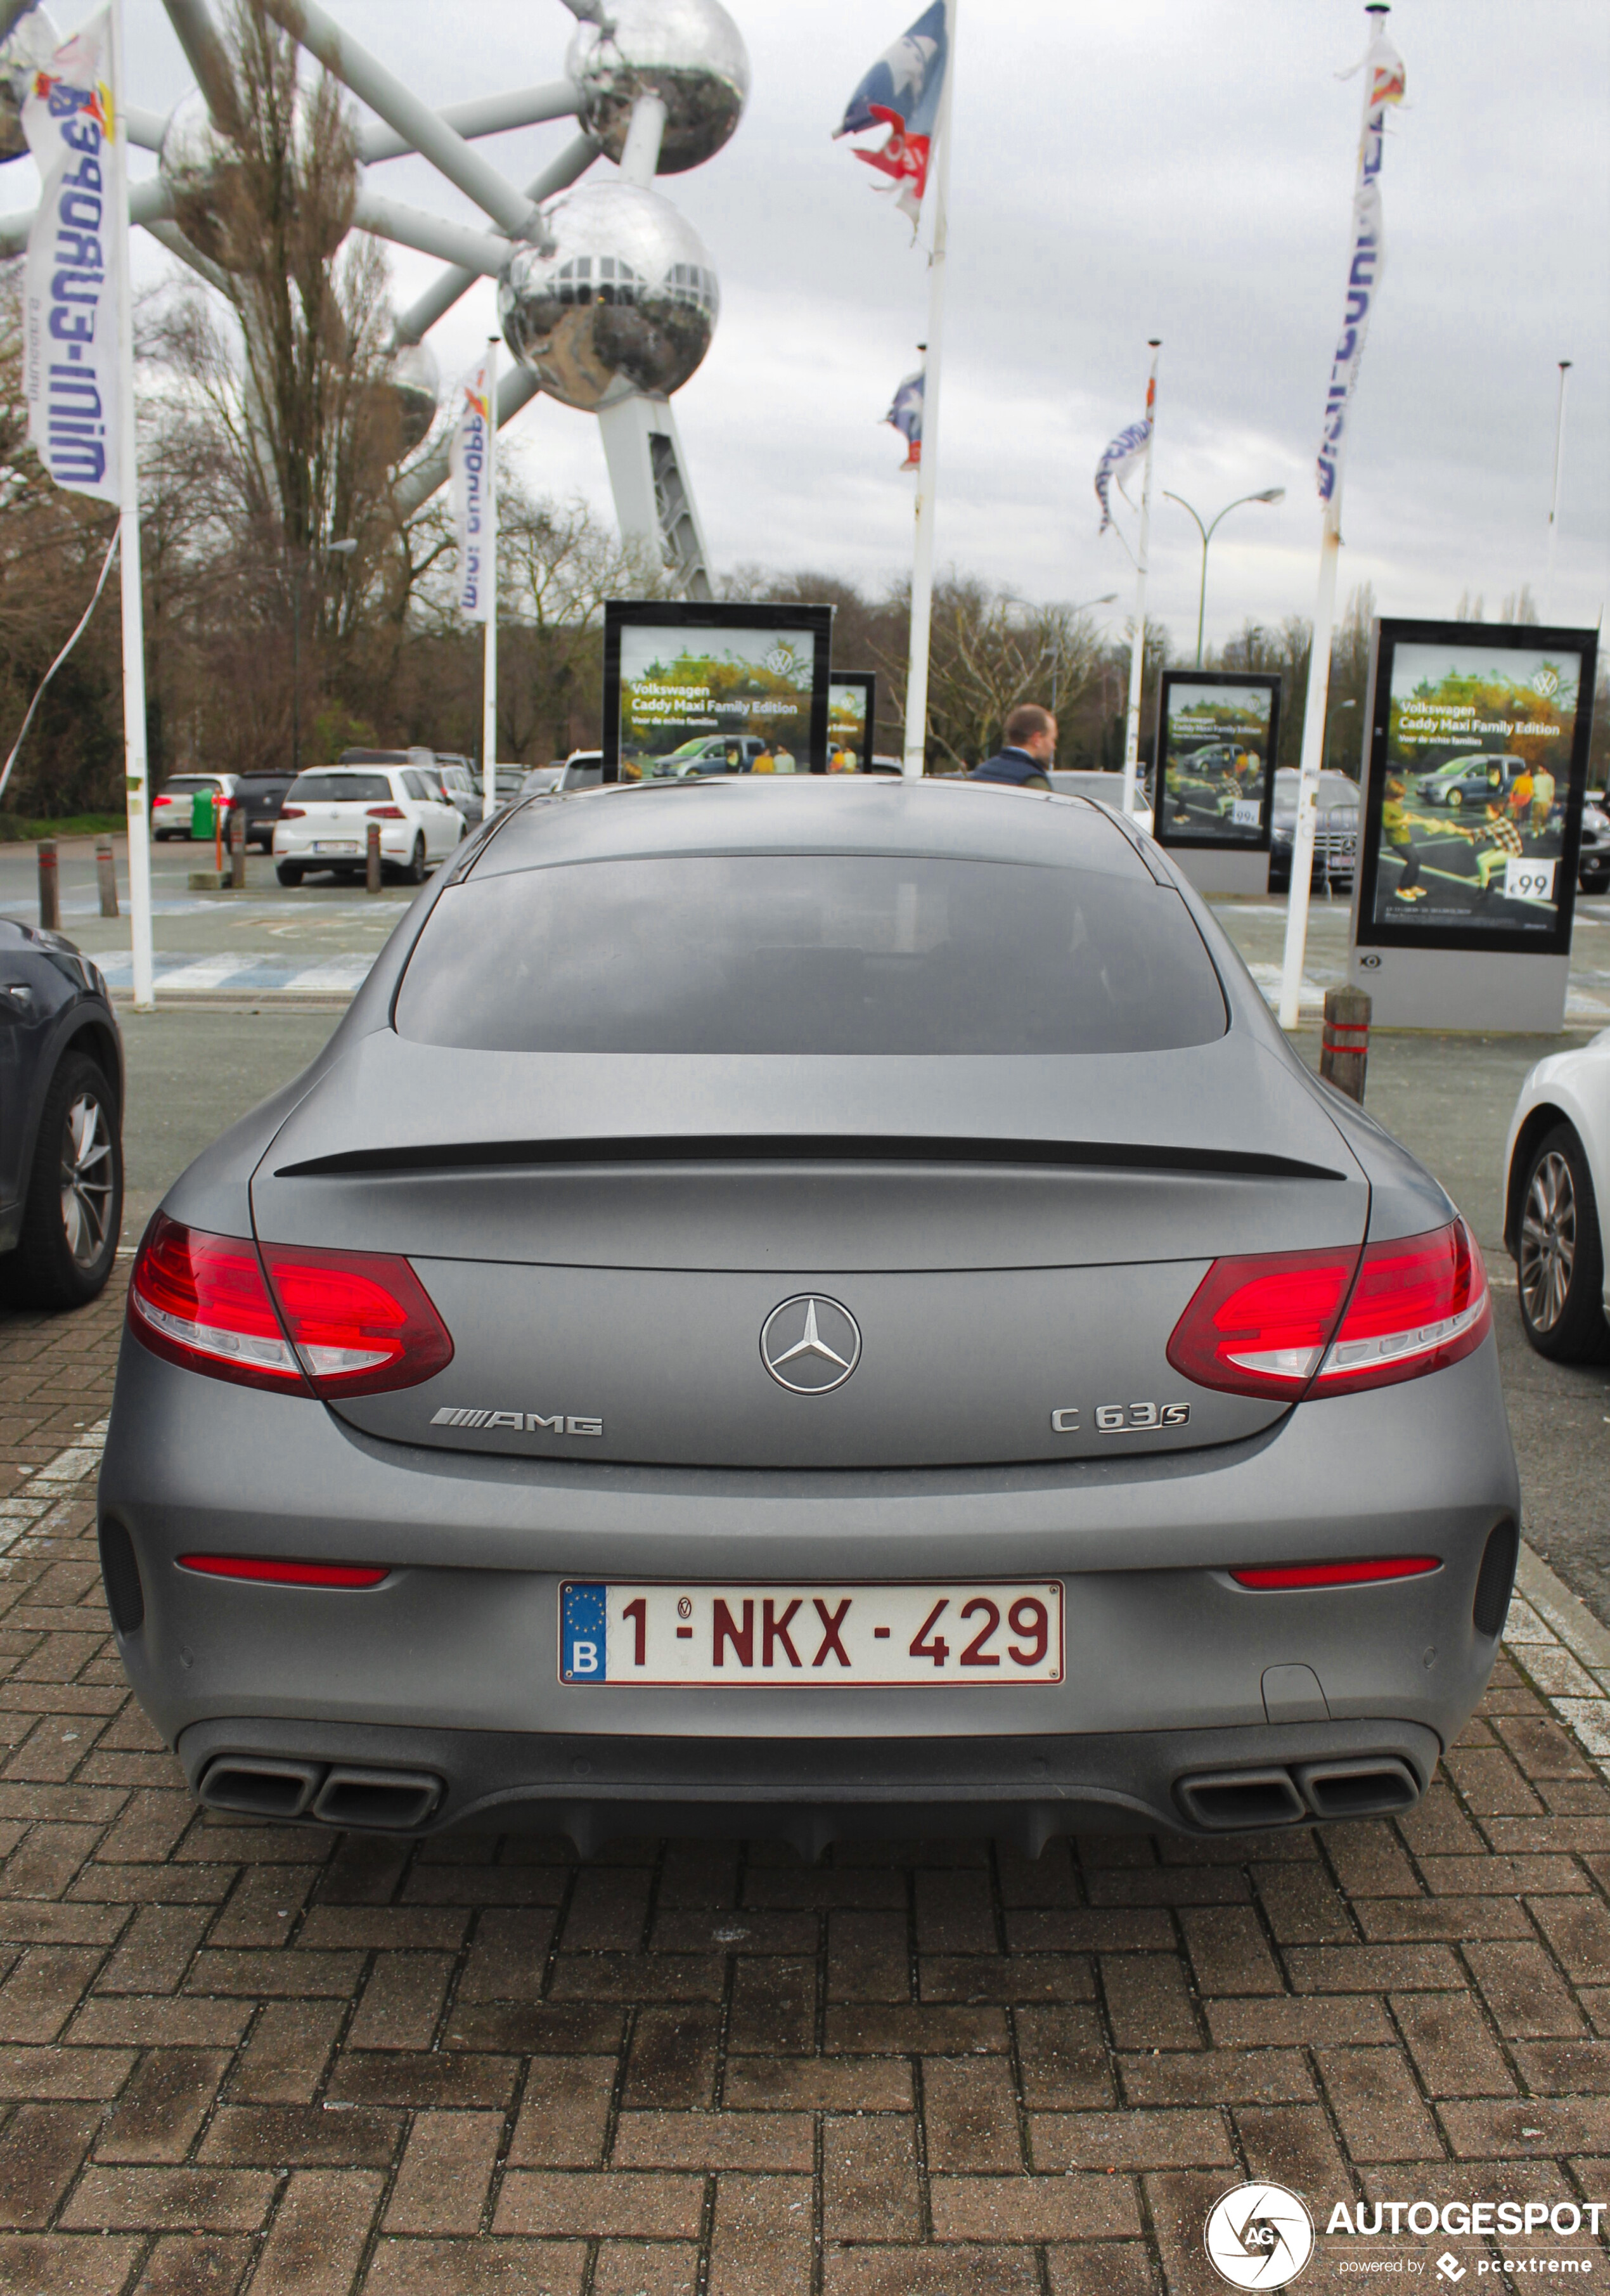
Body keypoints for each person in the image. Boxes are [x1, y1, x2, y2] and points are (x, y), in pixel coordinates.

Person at [969, 703, 1057, 791]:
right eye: (1053, 739)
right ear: (1037, 739)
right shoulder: (1033, 782)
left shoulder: (981, 772)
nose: (1054, 747)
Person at [1381, 775, 1426, 901]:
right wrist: (1402, 821)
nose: (1402, 799)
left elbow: (1400, 816)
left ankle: (1411, 886)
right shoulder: (1386, 806)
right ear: (1391, 795)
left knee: (1416, 859)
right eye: (1399, 796)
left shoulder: (1395, 804)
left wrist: (1409, 817)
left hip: (1405, 838)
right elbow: (1386, 824)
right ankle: (1402, 888)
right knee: (1412, 860)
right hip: (1397, 840)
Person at [1469, 801, 1525, 898]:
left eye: (1488, 811)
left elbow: (1484, 831)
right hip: (1503, 848)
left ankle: (1482, 889)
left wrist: (1464, 832)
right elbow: (1486, 835)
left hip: (1511, 852)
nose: (1486, 814)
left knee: (1484, 863)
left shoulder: (1501, 823)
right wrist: (1474, 839)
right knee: (1479, 859)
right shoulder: (1497, 822)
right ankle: (1489, 884)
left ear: (1496, 813)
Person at [1530, 763, 1555, 835]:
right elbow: (1532, 787)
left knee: (1544, 816)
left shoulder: (1550, 778)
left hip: (1545, 800)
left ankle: (1542, 827)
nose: (1539, 770)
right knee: (1535, 816)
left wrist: (1551, 801)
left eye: (1540, 768)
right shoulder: (1536, 777)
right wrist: (1532, 793)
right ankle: (1535, 831)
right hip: (1536, 800)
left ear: (1544, 769)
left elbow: (1551, 790)